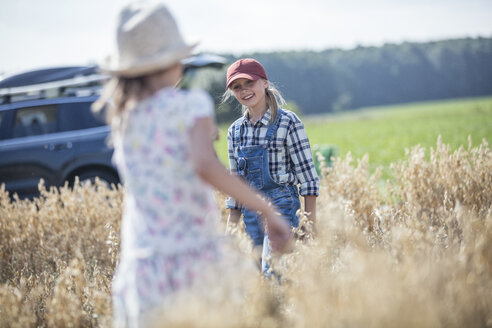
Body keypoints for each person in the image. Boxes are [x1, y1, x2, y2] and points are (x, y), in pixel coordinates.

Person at [93, 2, 292, 326]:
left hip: (141, 266)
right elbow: (205, 165)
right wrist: (267, 209)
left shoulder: (124, 118)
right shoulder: (191, 106)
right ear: (172, 62)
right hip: (189, 259)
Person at [223, 58, 320, 276]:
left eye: (249, 83)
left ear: (265, 83)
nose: (244, 91)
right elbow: (236, 185)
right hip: (250, 214)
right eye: (237, 87)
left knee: (273, 271)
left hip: (283, 207)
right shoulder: (235, 131)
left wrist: (310, 223)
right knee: (255, 275)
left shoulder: (288, 122)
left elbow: (308, 178)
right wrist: (231, 228)